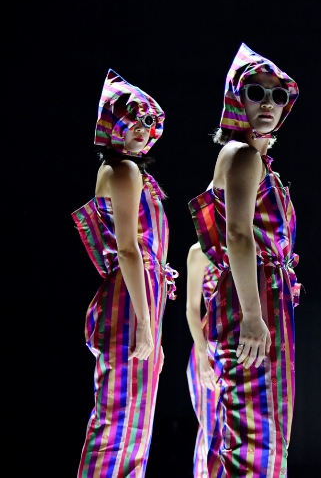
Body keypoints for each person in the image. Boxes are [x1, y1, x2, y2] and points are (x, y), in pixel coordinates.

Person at [188, 43, 300, 478]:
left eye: (277, 95)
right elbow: (236, 235)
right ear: (236, 98)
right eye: (256, 92)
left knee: (260, 427)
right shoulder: (243, 155)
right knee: (256, 432)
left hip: (263, 296)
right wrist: (253, 314)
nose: (268, 103)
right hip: (250, 300)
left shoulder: (252, 159)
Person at [72, 69, 177, 478]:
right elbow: (129, 249)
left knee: (132, 423)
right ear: (112, 120)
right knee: (120, 423)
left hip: (137, 300)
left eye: (149, 120)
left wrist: (153, 328)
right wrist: (146, 326)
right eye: (132, 117)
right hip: (129, 303)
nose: (142, 127)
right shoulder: (123, 171)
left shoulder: (130, 172)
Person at [185, 242, 221, 477]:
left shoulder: (246, 241)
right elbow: (191, 308)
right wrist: (202, 355)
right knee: (211, 427)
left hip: (237, 341)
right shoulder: (199, 252)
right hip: (208, 346)